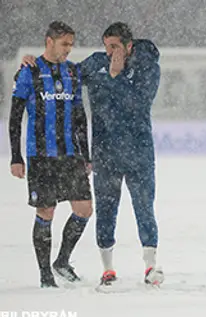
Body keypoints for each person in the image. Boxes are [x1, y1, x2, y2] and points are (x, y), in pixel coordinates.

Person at [21, 22, 163, 287]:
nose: (109, 52)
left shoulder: (148, 67)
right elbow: (65, 72)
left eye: (115, 47)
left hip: (139, 154)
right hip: (105, 154)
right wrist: (36, 63)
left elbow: (139, 103)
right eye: (106, 46)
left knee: (144, 208)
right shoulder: (96, 63)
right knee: (106, 212)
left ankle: (151, 266)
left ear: (128, 46)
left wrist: (116, 75)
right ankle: (107, 269)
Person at [10, 21, 92, 288]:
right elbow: (15, 116)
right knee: (46, 211)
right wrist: (16, 156)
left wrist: (86, 154)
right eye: (64, 44)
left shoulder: (72, 72)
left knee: (84, 209)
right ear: (49, 41)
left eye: (71, 44)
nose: (69, 49)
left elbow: (80, 117)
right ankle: (45, 274)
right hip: (41, 155)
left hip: (71, 154)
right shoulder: (30, 72)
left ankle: (62, 261)